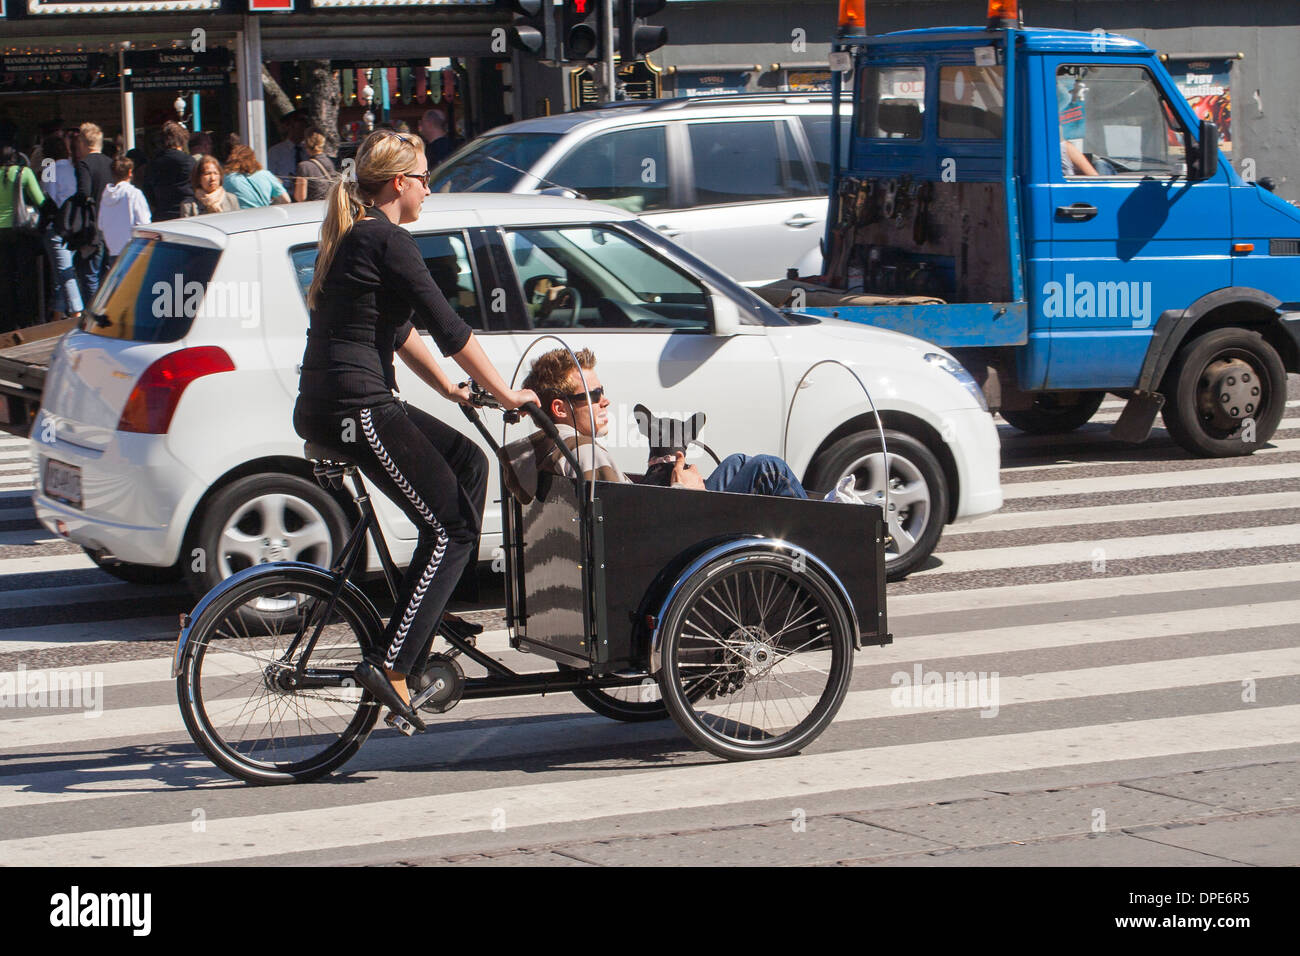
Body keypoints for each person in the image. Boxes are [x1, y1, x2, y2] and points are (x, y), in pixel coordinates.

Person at [292, 129, 539, 733]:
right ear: (399, 183)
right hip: (355, 408)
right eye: (426, 178)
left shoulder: (363, 239)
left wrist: (451, 392)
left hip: (346, 403)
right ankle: (397, 662)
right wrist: (508, 393)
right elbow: (448, 327)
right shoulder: (386, 239)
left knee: (471, 464)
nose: (431, 189)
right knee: (453, 527)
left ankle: (422, 619)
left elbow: (400, 332)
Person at [520, 348, 853, 501]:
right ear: (560, 408)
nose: (605, 401)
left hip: (660, 508)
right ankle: (827, 531)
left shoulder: (552, 446)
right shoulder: (586, 454)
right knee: (769, 469)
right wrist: (682, 490)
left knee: (737, 461)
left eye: (603, 391)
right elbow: (636, 526)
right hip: (675, 525)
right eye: (593, 395)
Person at [0, 144, 48, 332]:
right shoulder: (24, 173)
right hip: (20, 231)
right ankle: (25, 319)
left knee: (4, 278)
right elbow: (40, 200)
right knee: (23, 275)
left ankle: (5, 321)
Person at [41, 133, 83, 322]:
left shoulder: (49, 168)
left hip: (56, 225)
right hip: (74, 223)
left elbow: (47, 196)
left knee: (63, 273)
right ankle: (57, 315)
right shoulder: (73, 167)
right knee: (64, 272)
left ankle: (76, 313)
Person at [73, 122, 114, 302]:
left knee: (90, 274)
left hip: (92, 229)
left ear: (83, 143)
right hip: (110, 228)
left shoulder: (84, 164)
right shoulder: (110, 163)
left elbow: (84, 192)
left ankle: (93, 311)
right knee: (107, 273)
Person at [96, 157, 151, 270]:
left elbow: (100, 225)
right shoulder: (134, 194)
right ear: (130, 172)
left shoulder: (105, 195)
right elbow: (144, 223)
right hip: (133, 251)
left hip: (113, 251)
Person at [141, 121, 195, 221]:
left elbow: (148, 191)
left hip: (162, 213)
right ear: (182, 140)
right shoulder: (188, 161)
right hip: (185, 213)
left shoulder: (153, 163)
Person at [222, 145, 290, 208]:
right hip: (263, 216)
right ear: (253, 158)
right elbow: (286, 200)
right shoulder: (265, 174)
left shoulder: (226, 178)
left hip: (238, 217)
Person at [266, 110, 308, 193]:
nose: (302, 129)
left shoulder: (308, 151)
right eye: (299, 125)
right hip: (285, 196)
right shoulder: (275, 152)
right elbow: (270, 177)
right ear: (289, 127)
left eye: (304, 125)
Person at [292, 128, 335, 202]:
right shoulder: (329, 162)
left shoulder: (304, 166)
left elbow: (300, 197)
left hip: (312, 209)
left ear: (306, 144)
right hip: (327, 205)